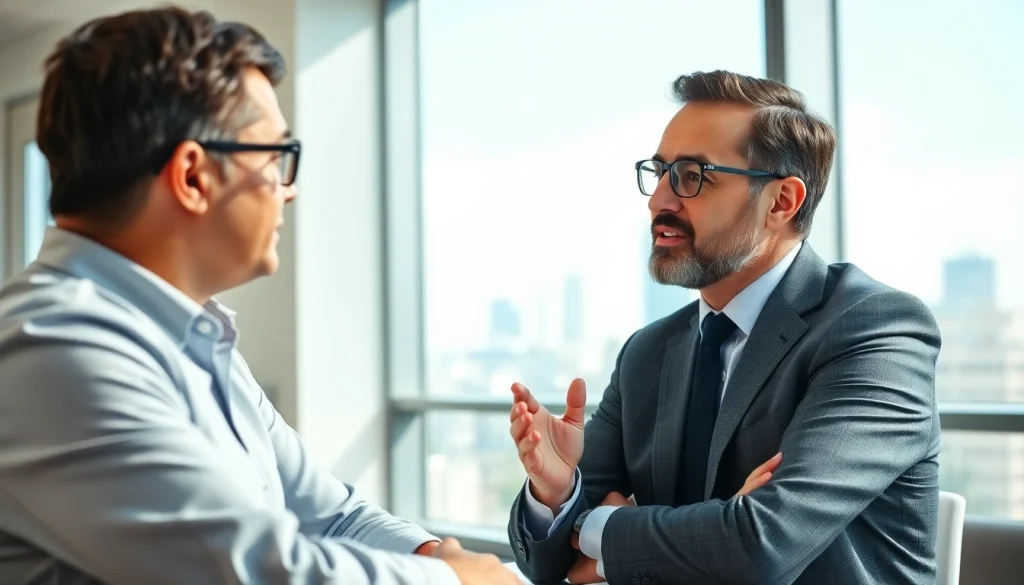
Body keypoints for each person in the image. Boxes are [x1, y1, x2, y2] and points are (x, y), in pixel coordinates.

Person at [0, 7, 519, 585]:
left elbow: (332, 516)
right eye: (275, 158)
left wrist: (435, 558)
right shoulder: (52, 348)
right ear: (193, 176)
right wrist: (456, 581)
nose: (288, 190)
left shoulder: (196, 340)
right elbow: (250, 571)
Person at [507, 70, 941, 585]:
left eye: (692, 175)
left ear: (781, 201)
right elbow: (545, 566)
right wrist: (555, 495)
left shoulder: (875, 331)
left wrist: (600, 526)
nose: (659, 201)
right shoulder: (649, 351)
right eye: (660, 171)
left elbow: (760, 547)